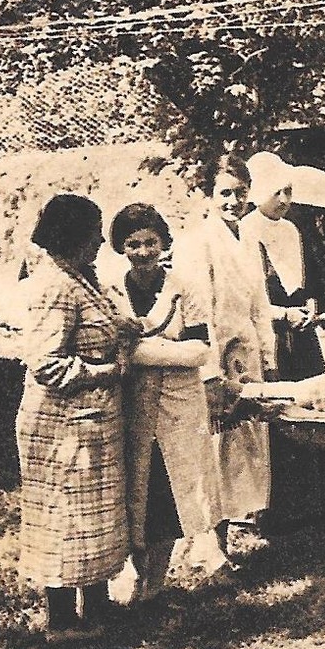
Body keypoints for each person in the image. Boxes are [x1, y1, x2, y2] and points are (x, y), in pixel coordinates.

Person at [15, 193, 140, 644]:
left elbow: (99, 325)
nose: (99, 243)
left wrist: (124, 328)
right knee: (65, 518)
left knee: (97, 518)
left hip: (91, 422)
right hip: (61, 425)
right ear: (73, 236)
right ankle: (64, 622)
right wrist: (108, 372)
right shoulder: (54, 286)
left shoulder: (80, 278)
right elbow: (48, 366)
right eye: (93, 234)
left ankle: (99, 608)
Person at [108, 203, 219, 605]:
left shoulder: (184, 285)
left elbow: (200, 350)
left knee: (169, 492)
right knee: (133, 491)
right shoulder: (110, 290)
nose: (142, 252)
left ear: (163, 243)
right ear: (121, 247)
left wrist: (140, 352)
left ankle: (155, 583)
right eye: (132, 243)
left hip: (177, 403)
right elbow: (109, 349)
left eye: (150, 242)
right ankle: (138, 578)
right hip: (130, 404)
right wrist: (164, 349)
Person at [173, 154, 278, 566]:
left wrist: (266, 355)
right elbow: (198, 313)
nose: (234, 201)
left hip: (247, 355)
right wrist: (210, 374)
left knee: (243, 446)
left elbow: (259, 303)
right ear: (208, 196)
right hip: (216, 358)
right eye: (225, 194)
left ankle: (230, 536)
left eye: (240, 193)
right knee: (215, 446)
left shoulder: (249, 239)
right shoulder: (197, 243)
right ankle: (210, 547)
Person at [242, 151, 325, 533]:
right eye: (276, 192)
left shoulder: (292, 230)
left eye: (288, 191)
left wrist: (311, 303)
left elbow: (305, 279)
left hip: (302, 334)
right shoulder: (247, 230)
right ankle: (279, 507)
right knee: (279, 410)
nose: (284, 200)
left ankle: (318, 499)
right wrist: (282, 314)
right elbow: (250, 295)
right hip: (271, 334)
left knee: (313, 404)